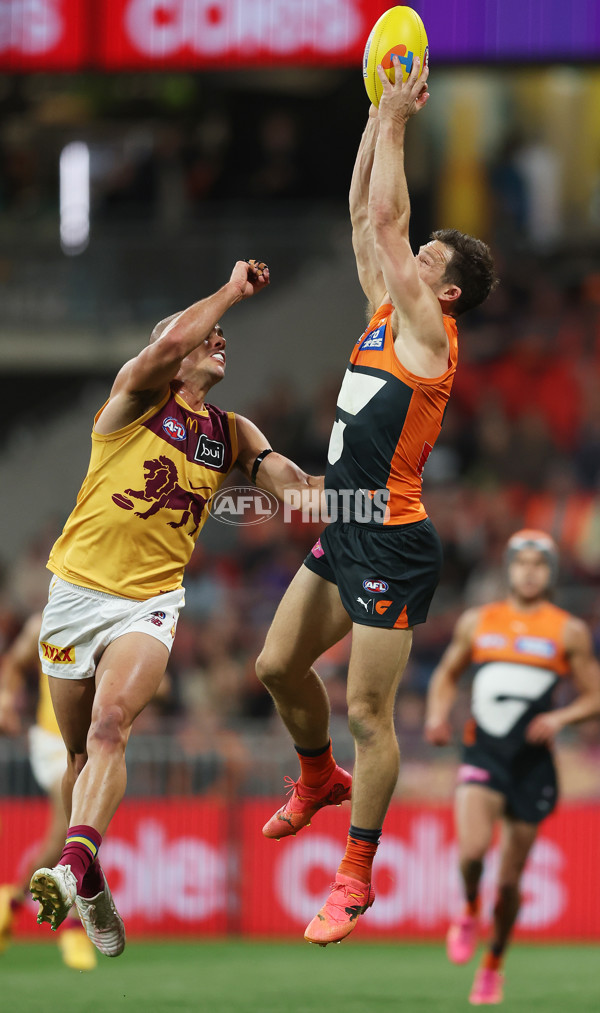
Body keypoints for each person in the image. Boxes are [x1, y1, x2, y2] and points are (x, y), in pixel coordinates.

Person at [255, 57, 498, 946]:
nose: (409, 254)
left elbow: (390, 220)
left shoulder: (432, 330)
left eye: (427, 259)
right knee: (276, 669)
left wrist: (398, 116)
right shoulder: (382, 313)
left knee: (367, 711)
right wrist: (372, 113)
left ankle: (355, 875)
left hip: (393, 540)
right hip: (344, 527)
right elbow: (369, 215)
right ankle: (317, 778)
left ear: (445, 291)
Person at [29, 259, 321, 956]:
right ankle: (92, 884)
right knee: (76, 757)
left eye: (223, 334)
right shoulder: (133, 398)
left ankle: (69, 869)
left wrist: (367, 495)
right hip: (74, 595)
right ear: (174, 346)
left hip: (150, 603)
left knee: (108, 728)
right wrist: (229, 290)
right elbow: (162, 348)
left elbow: (296, 491)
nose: (220, 342)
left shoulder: (232, 431)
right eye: (207, 335)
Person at [425, 529, 600, 1005]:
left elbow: (595, 695)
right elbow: (446, 673)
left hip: (532, 764)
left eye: (539, 564)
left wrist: (560, 717)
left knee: (509, 880)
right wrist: (438, 715)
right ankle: (467, 908)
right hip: (482, 753)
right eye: (521, 562)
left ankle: (493, 964)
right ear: (508, 568)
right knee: (471, 854)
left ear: (551, 572)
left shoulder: (567, 630)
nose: (529, 571)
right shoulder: (479, 622)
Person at [0, 615, 96, 969]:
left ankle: (10, 901)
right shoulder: (45, 622)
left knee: (82, 835)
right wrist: (6, 698)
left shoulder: (115, 616)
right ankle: (72, 928)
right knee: (68, 832)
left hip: (90, 747)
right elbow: (15, 662)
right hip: (53, 742)